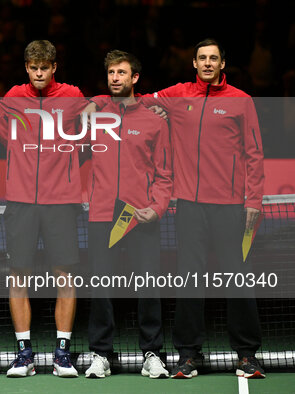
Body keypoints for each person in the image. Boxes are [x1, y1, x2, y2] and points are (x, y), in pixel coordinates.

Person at [145, 39, 265, 379]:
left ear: (222, 63)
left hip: (230, 207)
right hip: (190, 207)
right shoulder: (177, 94)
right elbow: (137, 101)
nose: (208, 63)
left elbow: (254, 154)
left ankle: (246, 355)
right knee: (189, 281)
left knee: (238, 278)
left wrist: (253, 200)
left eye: (214, 58)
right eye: (202, 58)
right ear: (194, 64)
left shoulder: (241, 102)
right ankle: (188, 355)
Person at [83, 50, 172, 379]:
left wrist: (157, 207)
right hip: (103, 215)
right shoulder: (94, 116)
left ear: (135, 78)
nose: (115, 77)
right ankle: (101, 354)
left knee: (148, 286)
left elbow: (165, 174)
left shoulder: (154, 121)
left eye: (122, 72)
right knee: (101, 287)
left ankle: (151, 353)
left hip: (140, 216)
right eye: (110, 72)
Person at [0, 40, 85, 378]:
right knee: (18, 276)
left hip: (61, 201)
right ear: (26, 68)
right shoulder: (12, 98)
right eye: (33, 67)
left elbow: (102, 109)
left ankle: (62, 354)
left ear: (53, 68)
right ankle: (25, 356)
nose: (38, 72)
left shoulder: (73, 95)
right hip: (21, 201)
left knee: (64, 276)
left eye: (44, 67)